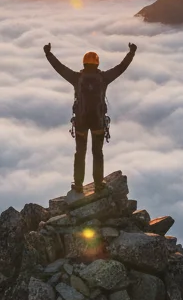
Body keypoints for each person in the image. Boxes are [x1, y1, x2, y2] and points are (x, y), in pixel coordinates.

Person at [44, 41, 137, 193]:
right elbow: (121, 68)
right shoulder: (104, 78)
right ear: (97, 63)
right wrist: (131, 52)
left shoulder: (76, 78)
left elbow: (59, 68)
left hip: (81, 121)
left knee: (80, 153)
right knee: (97, 153)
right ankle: (99, 184)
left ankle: (79, 185)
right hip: (98, 122)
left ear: (84, 63)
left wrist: (48, 53)